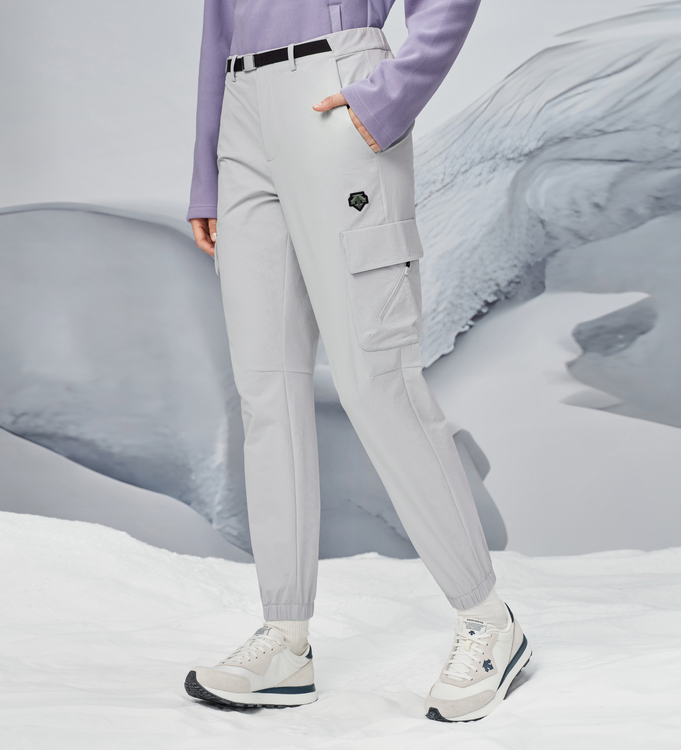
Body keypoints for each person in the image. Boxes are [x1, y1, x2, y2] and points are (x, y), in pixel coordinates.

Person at [183, 0, 531, 722]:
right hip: (241, 108)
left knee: (378, 381)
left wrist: (388, 98)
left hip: (333, 90)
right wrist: (206, 169)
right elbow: (220, 17)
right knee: (266, 391)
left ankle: (488, 622)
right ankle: (286, 641)